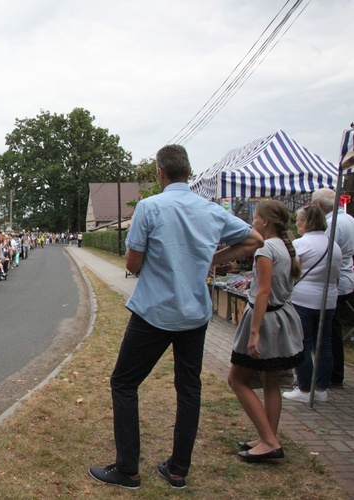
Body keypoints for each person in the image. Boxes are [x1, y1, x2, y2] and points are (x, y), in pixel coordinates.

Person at [89, 145, 262, 490]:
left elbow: (132, 265)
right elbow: (254, 239)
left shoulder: (149, 207)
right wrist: (211, 259)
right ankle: (178, 469)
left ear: (160, 173)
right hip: (194, 312)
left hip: (155, 310)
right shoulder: (209, 209)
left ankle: (127, 469)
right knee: (189, 388)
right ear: (188, 171)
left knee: (124, 383)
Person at [225, 200, 303, 463]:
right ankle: (269, 436)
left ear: (266, 222)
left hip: (266, 320)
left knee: (236, 380)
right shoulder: (286, 247)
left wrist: (255, 331)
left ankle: (268, 440)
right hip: (283, 317)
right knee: (271, 382)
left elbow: (263, 291)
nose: (253, 221)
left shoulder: (266, 248)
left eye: (256, 217)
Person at [282, 206, 341, 404]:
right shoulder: (334, 245)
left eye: (299, 220)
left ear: (305, 222)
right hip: (329, 298)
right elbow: (337, 275)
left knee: (303, 344)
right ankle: (322, 388)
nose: (297, 223)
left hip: (304, 298)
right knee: (324, 344)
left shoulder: (300, 244)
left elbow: (291, 272)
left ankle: (305, 388)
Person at [311, 188, 354, 386]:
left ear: (319, 206)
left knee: (329, 333)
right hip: (345, 276)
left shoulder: (332, 224)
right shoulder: (349, 219)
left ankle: (333, 374)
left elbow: (327, 254)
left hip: (335, 280)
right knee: (332, 330)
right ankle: (335, 372)